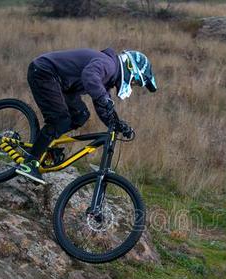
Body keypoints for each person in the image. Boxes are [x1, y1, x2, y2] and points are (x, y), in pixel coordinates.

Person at [16, 48, 157, 184]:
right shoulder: (109, 65)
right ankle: (29, 162)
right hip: (44, 72)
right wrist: (103, 98)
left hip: (62, 85)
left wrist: (116, 123)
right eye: (136, 81)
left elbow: (102, 104)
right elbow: (90, 76)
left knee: (81, 115)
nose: (133, 85)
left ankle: (43, 145)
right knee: (60, 120)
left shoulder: (109, 76)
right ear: (130, 68)